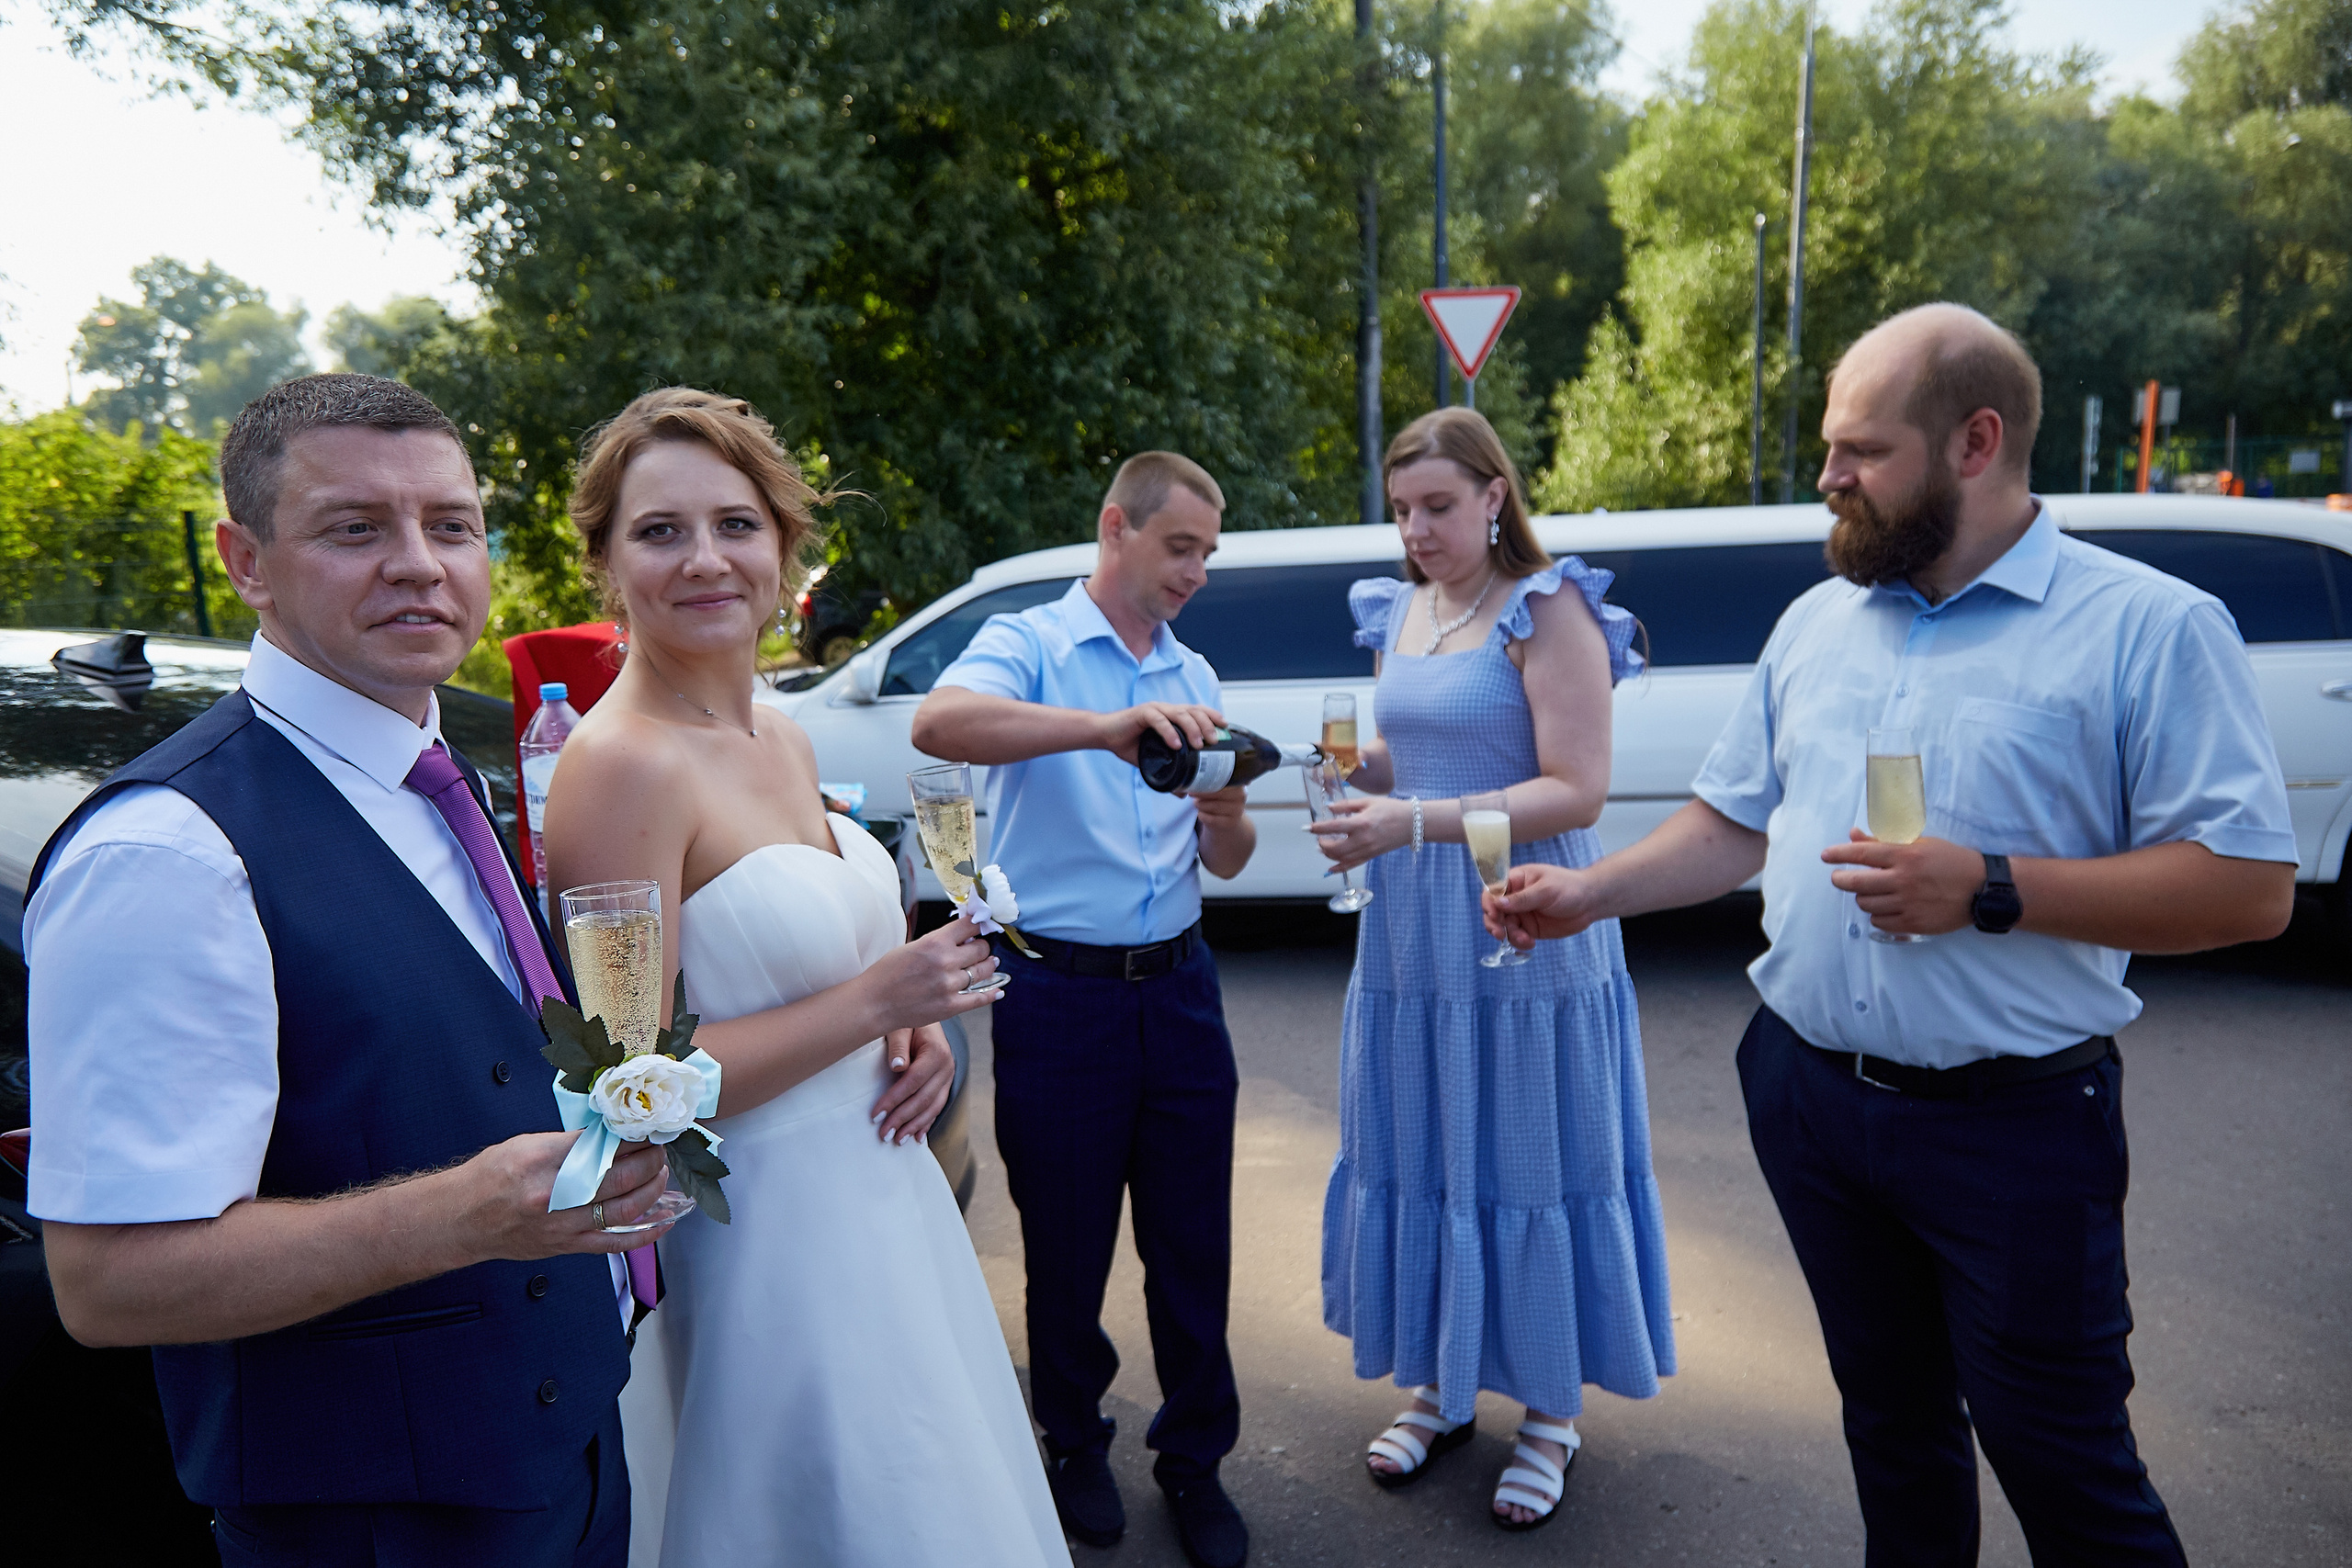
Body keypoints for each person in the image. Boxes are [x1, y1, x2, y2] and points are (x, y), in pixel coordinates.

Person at [1487, 304, 2298, 1563]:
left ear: (1976, 441)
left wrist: (1991, 885)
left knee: (2064, 1463)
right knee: (1893, 1429)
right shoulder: (1818, 621)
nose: (1828, 476)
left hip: (2013, 1129)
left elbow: (2247, 887)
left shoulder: (2148, 626)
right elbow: (1733, 819)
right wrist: (1589, 895)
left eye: (1861, 449)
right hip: (1808, 1099)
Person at [23, 373, 671, 1567]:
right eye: (356, 527)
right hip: (377, 1523)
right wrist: (465, 1214)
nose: (419, 563)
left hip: (569, 1458)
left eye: (452, 524)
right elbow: (109, 1282)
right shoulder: (166, 852)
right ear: (247, 562)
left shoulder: (449, 779)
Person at [539, 389, 1070, 1568]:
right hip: (768, 1244)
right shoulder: (618, 769)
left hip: (886, 1206)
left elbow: (827, 961)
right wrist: (882, 1002)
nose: (705, 558)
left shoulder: (781, 732)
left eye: (736, 523)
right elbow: (631, 1090)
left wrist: (910, 1033)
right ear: (605, 564)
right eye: (659, 531)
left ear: (783, 546)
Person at [1305, 407, 1671, 1531]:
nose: (1415, 531)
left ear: (1494, 495)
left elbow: (1576, 789)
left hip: (1526, 916)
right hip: (1410, 932)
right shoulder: (1399, 608)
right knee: (1428, 1142)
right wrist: (1348, 771)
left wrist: (1408, 820)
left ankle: (1551, 1413)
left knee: (1533, 1151)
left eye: (1438, 507)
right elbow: (1411, 753)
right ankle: (1443, 1383)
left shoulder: (1548, 607)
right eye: (1401, 510)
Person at [911, 452, 1257, 1568]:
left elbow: (1230, 857)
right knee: (1065, 1248)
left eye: (1206, 553)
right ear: (1116, 527)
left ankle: (1195, 1460)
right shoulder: (1032, 642)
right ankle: (1071, 1443)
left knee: (1193, 1245)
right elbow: (940, 725)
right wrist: (1104, 727)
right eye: (1179, 547)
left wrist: (1230, 811)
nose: (1195, 571)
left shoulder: (1194, 669)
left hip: (1182, 990)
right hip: (1061, 995)